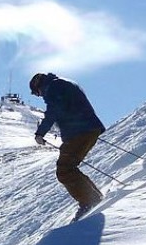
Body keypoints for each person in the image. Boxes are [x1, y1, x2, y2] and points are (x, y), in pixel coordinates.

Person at [29, 72, 106, 219]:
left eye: (37, 93)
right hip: (87, 128)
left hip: (80, 131)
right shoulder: (62, 83)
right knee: (69, 167)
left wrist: (40, 133)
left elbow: (53, 111)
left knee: (64, 170)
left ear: (38, 85)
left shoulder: (53, 87)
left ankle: (90, 201)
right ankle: (93, 198)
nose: (39, 96)